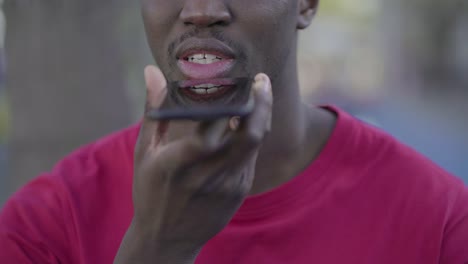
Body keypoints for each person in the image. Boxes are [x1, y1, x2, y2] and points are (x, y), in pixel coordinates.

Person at [1, 1, 467, 263]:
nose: (201, 10)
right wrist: (157, 246)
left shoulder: (441, 221)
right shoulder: (46, 226)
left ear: (304, 4)